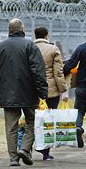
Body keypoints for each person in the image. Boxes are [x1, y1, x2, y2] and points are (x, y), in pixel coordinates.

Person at [0, 18, 48, 167]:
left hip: (8, 93)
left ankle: (13, 159)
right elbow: (38, 70)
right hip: (29, 93)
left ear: (9, 30)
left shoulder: (0, 48)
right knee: (32, 122)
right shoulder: (30, 46)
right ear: (22, 29)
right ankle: (25, 149)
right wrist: (42, 91)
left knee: (11, 127)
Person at [33, 26, 68, 160]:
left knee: (34, 119)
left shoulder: (30, 48)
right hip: (51, 90)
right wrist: (63, 89)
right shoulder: (53, 49)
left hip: (34, 89)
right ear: (47, 35)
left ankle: (31, 146)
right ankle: (46, 152)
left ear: (35, 36)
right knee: (49, 120)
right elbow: (58, 72)